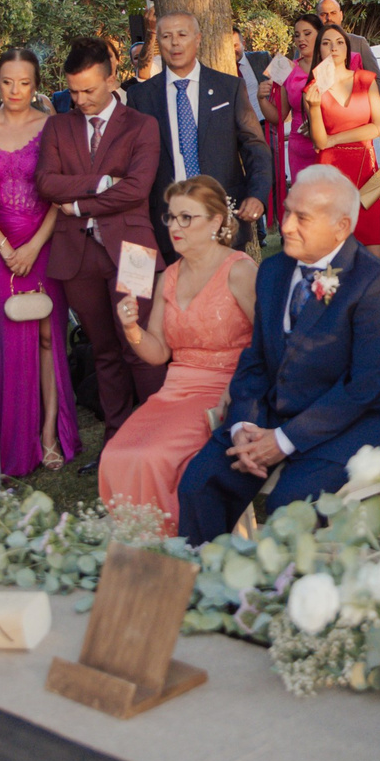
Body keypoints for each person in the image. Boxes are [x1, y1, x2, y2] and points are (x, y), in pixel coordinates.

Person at [174, 165, 380, 545]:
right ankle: (210, 591)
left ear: (340, 227)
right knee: (199, 482)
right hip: (276, 412)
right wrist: (243, 426)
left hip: (356, 422)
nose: (285, 225)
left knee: (289, 508)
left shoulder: (376, 285)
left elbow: (366, 386)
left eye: (301, 217)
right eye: (287, 211)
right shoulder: (273, 270)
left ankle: (280, 597)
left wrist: (284, 440)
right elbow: (256, 358)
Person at [103, 177, 260, 534]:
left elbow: (267, 343)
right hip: (173, 391)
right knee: (115, 455)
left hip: (222, 390)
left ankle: (175, 546)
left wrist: (239, 392)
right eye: (171, 217)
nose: (175, 226)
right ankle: (139, 548)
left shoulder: (240, 270)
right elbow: (157, 352)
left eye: (186, 218)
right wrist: (130, 327)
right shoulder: (169, 275)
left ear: (216, 222)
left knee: (151, 457)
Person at [36, 37, 164, 425]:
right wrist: (103, 182)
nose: (80, 100)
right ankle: (117, 433)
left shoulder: (142, 125)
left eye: (88, 90)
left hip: (135, 249)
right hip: (77, 256)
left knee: (138, 343)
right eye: (74, 91)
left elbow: (137, 189)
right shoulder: (58, 126)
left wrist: (78, 204)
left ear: (111, 80)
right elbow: (45, 183)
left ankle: (160, 429)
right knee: (103, 349)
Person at [0, 46, 79, 476]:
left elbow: (60, 192)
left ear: (36, 84)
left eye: (24, 82)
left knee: (50, 337)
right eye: (7, 81)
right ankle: (15, 437)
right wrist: (3, 247)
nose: (15, 90)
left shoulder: (52, 127)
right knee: (13, 336)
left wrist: (34, 245)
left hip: (44, 243)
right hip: (0, 248)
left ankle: (50, 432)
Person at [128, 11, 274, 252]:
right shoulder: (141, 97)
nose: (175, 43)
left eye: (182, 35)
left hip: (223, 217)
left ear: (197, 39)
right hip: (168, 224)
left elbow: (255, 147)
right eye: (166, 36)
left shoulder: (229, 88)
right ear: (159, 43)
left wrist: (257, 194)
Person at [301, 23, 380, 246]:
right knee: (334, 244)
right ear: (319, 49)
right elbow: (319, 141)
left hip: (366, 168)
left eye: (339, 42)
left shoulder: (366, 79)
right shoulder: (312, 88)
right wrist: (314, 107)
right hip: (330, 170)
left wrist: (335, 139)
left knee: (373, 244)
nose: (334, 48)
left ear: (348, 49)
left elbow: (379, 126)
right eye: (327, 43)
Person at [265, 10, 325, 217]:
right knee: (307, 208)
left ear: (321, 34)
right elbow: (277, 117)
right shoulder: (282, 67)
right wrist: (260, 98)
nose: (301, 39)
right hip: (300, 149)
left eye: (307, 33)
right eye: (297, 35)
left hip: (329, 144)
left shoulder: (333, 65)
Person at [316, 0, 377, 73]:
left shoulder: (359, 43)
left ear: (341, 15)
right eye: (323, 14)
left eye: (333, 13)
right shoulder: (309, 45)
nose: (329, 18)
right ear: (317, 17)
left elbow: (376, 78)